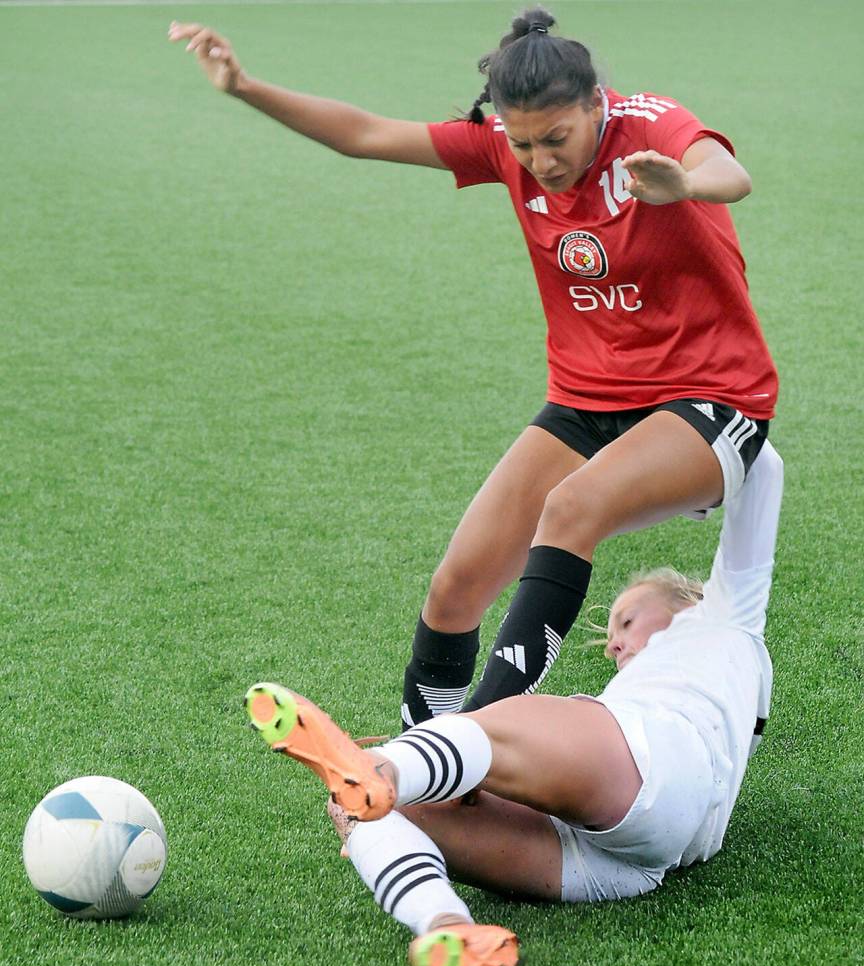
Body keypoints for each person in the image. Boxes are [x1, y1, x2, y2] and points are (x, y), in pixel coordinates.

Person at [169, 7, 779, 731]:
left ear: (595, 104)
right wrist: (243, 86)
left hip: (713, 400)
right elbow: (365, 135)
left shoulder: (650, 125)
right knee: (455, 587)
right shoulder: (501, 146)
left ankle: (469, 748)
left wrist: (686, 184)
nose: (541, 162)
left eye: (556, 138)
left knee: (569, 509)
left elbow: (729, 172)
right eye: (523, 145)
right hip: (588, 401)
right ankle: (421, 747)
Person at [243, 439, 783, 966]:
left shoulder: (728, 614)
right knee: (368, 810)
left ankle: (387, 767)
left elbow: (761, 463)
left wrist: (683, 453)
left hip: (658, 764)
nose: (612, 645)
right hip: (630, 866)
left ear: (689, 602)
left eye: (625, 620)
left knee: (487, 736)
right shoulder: (720, 699)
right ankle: (444, 924)